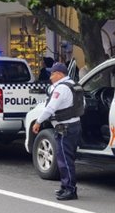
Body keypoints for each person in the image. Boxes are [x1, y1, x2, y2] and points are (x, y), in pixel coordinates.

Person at [32, 62, 84, 201]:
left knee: (64, 160)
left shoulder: (61, 89)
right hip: (73, 125)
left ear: (60, 74)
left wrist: (38, 122)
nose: (50, 77)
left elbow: (50, 109)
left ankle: (70, 190)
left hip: (65, 128)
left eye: (52, 73)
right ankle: (65, 186)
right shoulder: (73, 85)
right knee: (66, 158)